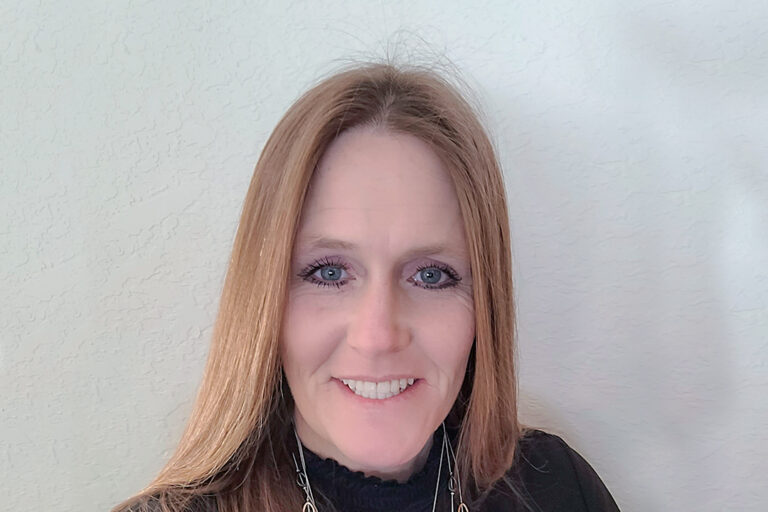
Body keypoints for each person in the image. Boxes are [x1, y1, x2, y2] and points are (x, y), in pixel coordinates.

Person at [113, 62, 620, 512]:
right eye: (329, 272)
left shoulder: (557, 487)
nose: (378, 336)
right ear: (264, 300)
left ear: (485, 305)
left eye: (431, 275)